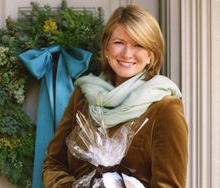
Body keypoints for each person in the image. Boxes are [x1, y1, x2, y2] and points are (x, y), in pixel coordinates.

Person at [42, 5, 188, 188]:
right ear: (106, 48)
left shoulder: (166, 108)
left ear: (151, 54)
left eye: (139, 45)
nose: (127, 54)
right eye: (119, 42)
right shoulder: (84, 95)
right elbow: (53, 163)